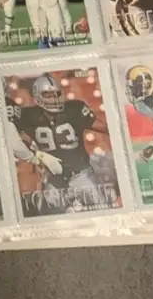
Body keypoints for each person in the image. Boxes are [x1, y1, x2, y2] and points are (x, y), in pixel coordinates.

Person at [7, 72, 114, 211]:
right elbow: (18, 138)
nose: (54, 99)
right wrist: (37, 155)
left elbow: (104, 127)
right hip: (53, 178)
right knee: (53, 216)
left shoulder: (74, 109)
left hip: (81, 174)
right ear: (37, 96)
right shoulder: (29, 115)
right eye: (48, 95)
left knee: (103, 209)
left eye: (56, 94)